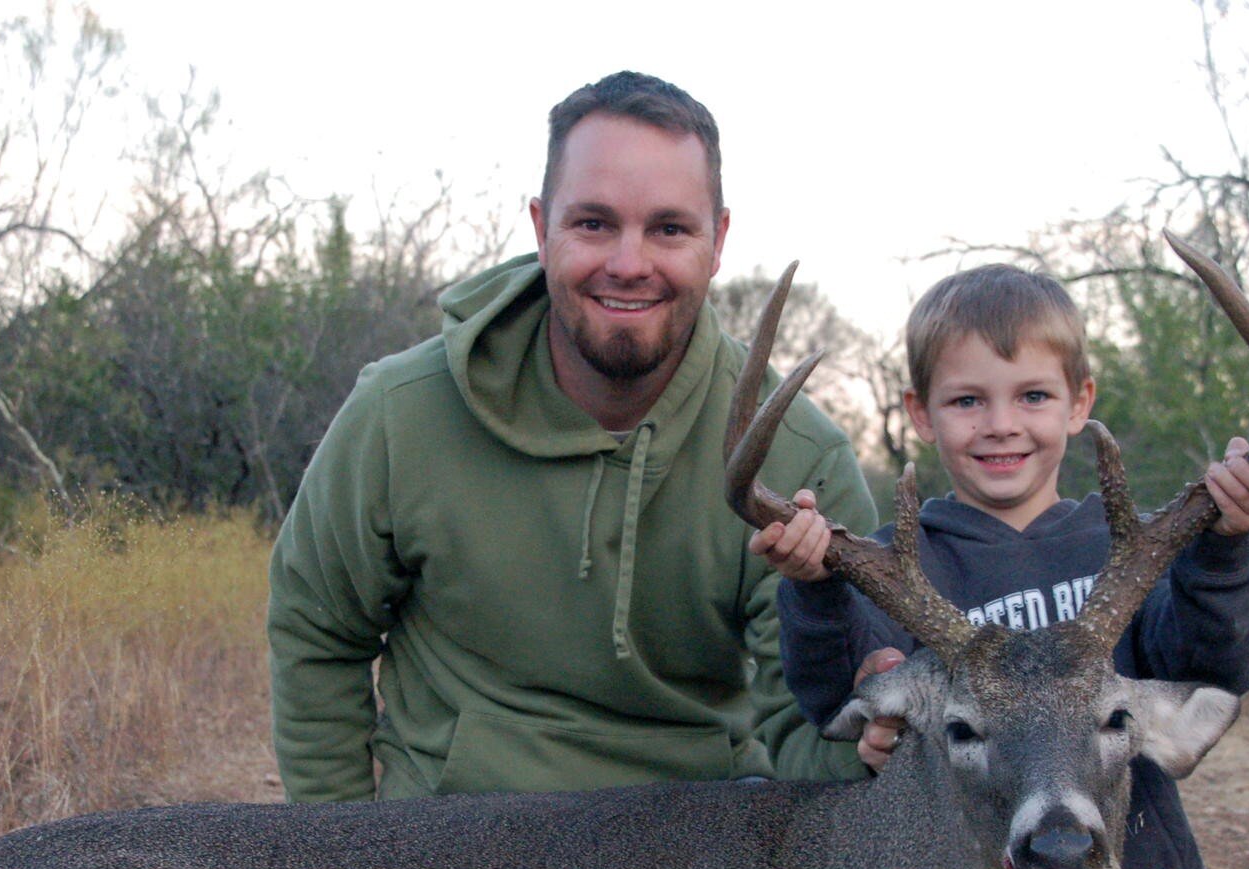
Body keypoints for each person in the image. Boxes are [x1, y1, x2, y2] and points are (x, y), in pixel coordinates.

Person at [753, 263, 1249, 869]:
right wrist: (815, 588)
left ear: (1080, 403)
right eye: (967, 401)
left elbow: (1208, 666)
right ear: (920, 414)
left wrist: (1226, 547)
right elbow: (838, 691)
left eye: (1032, 395)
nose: (1001, 423)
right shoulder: (901, 567)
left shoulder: (1121, 550)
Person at [268, 72, 876, 802]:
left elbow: (813, 739)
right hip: (445, 843)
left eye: (669, 228)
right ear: (539, 227)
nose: (628, 262)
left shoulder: (798, 460)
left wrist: (874, 733)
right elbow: (317, 631)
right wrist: (346, 858)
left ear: (717, 242)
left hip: (689, 856)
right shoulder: (402, 412)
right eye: (593, 223)